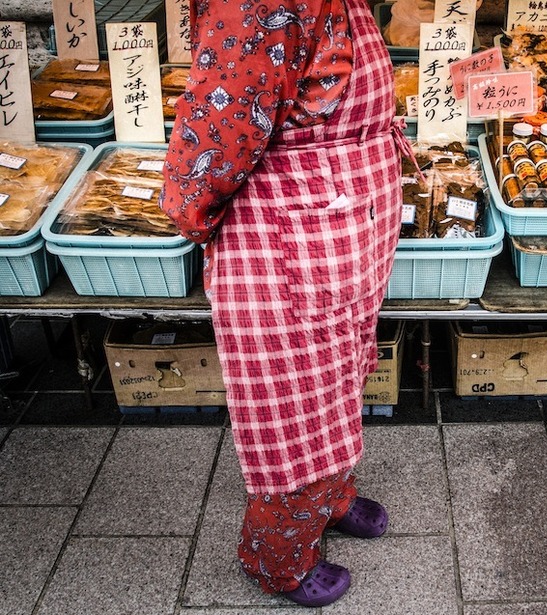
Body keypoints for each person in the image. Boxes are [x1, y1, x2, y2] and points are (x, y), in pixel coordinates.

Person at [160, 0, 409, 607]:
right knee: (294, 404)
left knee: (339, 376)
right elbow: (217, 134)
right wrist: (192, 212)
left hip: (341, 217)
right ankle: (278, 556)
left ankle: (331, 499)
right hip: (288, 230)